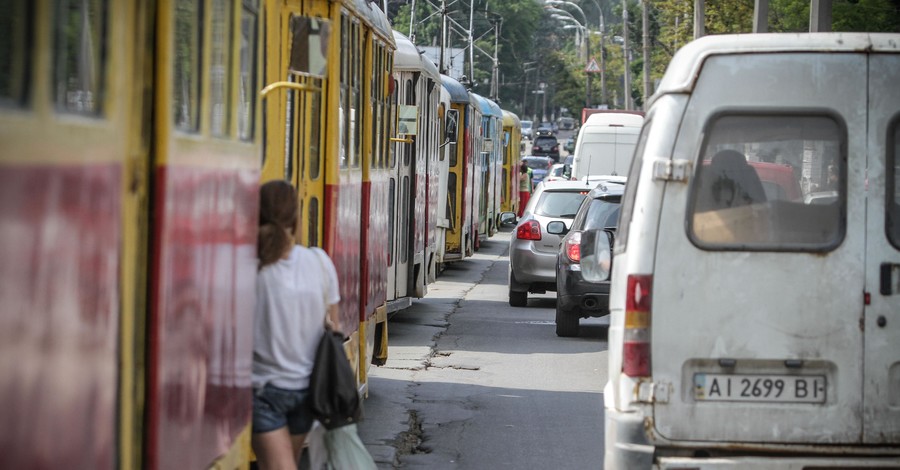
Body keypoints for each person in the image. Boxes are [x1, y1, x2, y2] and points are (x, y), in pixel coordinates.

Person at [252, 180, 341, 470]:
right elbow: (335, 330)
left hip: (265, 390)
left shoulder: (253, 266)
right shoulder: (320, 262)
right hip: (307, 391)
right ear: (296, 217)